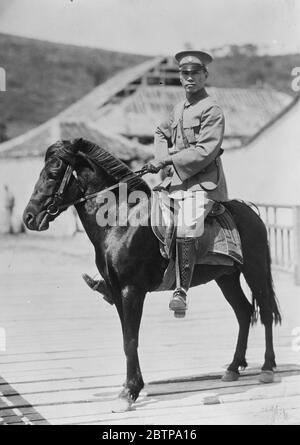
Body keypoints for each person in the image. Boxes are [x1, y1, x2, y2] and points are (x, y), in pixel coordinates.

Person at [146, 50, 228, 316]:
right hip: (176, 182)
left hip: (203, 184)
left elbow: (205, 152)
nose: (190, 78)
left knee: (186, 227)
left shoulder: (212, 109)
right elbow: (160, 131)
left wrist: (167, 159)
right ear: (180, 78)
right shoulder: (179, 109)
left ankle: (181, 291)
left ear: (205, 75)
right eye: (185, 74)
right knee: (146, 216)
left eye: (195, 73)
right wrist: (160, 159)